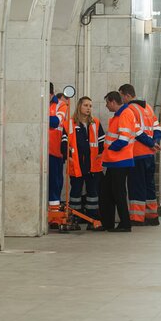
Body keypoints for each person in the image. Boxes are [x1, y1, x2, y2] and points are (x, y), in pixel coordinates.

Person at [119, 83, 161, 226]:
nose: (121, 100)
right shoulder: (148, 108)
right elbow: (157, 128)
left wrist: (150, 143)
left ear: (127, 95)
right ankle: (152, 216)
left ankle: (137, 218)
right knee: (149, 185)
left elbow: (136, 132)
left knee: (137, 186)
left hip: (137, 154)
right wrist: (154, 142)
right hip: (150, 155)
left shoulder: (130, 109)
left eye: (121, 96)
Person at [99, 91, 138, 232]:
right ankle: (108, 223)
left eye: (107, 103)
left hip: (120, 160)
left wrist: (109, 149)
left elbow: (123, 139)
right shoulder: (120, 115)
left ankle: (125, 224)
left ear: (112, 102)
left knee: (118, 193)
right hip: (115, 161)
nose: (106, 106)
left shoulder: (125, 114)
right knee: (107, 193)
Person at [66, 96, 105, 229]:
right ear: (79, 107)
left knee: (92, 193)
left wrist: (100, 155)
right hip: (76, 165)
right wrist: (69, 157)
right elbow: (64, 145)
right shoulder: (69, 123)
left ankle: (92, 220)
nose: (88, 108)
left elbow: (102, 143)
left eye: (90, 106)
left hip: (93, 165)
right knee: (75, 193)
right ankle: (74, 219)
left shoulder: (96, 123)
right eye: (86, 105)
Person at [47, 82, 69, 227]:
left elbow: (55, 122)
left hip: (54, 152)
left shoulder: (61, 105)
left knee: (54, 184)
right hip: (39, 151)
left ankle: (54, 218)